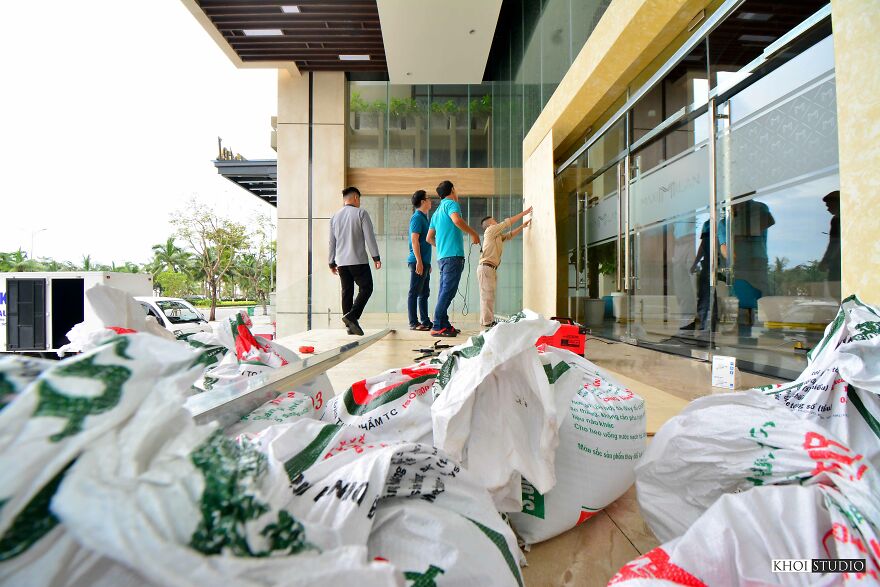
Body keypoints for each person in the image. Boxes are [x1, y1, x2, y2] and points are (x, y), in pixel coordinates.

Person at [426, 180, 480, 337]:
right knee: (448, 292)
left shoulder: (436, 212)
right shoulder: (451, 204)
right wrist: (473, 233)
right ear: (452, 190)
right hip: (453, 257)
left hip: (443, 258)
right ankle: (437, 325)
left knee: (445, 291)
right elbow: (456, 220)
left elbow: (429, 238)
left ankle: (444, 324)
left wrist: (442, 246)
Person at [328, 186, 381, 336]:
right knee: (366, 288)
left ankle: (350, 327)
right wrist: (376, 257)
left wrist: (331, 262)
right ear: (356, 198)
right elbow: (369, 237)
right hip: (358, 260)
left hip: (341, 262)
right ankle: (352, 316)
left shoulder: (334, 217)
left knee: (347, 292)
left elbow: (332, 242)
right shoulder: (361, 213)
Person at [477, 206, 532, 328]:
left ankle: (485, 320)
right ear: (490, 223)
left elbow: (509, 235)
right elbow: (507, 223)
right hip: (486, 267)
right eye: (494, 220)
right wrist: (525, 212)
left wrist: (522, 226)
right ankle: (488, 322)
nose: (496, 221)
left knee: (488, 296)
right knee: (487, 296)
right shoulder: (490, 230)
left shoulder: (495, 236)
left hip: (489, 268)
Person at [407, 189, 433, 331]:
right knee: (414, 292)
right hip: (418, 261)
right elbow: (414, 240)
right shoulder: (417, 217)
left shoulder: (424, 218)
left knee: (424, 293)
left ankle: (425, 321)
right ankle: (413, 323)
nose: (430, 200)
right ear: (423, 201)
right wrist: (419, 261)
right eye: (428, 198)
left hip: (424, 262)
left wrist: (427, 263)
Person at [818, 190, 841, 299]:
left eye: (829, 205)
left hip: (837, 264)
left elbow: (834, 243)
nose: (828, 209)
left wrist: (825, 261)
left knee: (836, 291)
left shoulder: (836, 220)